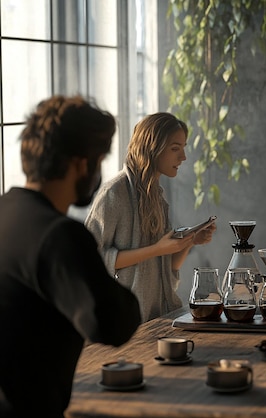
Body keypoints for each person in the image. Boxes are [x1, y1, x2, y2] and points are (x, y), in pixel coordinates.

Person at [0, 95, 141, 417]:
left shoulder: (5, 213)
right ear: (82, 163)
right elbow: (113, 324)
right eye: (99, 160)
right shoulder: (59, 235)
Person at [85, 112, 216, 322]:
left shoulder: (157, 196)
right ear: (152, 148)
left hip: (156, 318)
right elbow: (89, 260)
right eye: (175, 149)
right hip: (122, 323)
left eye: (183, 148)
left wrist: (190, 241)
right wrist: (156, 249)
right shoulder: (114, 193)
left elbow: (167, 266)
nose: (183, 157)